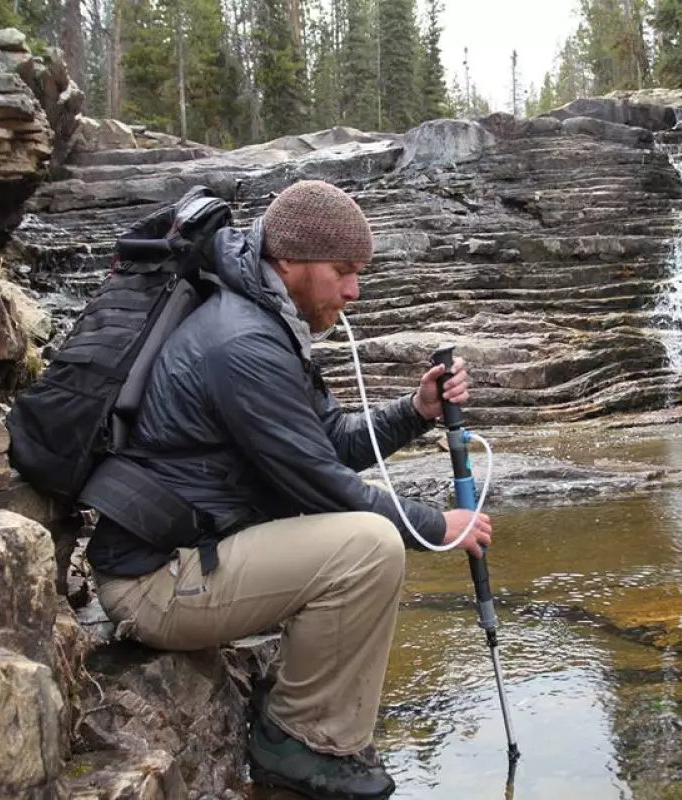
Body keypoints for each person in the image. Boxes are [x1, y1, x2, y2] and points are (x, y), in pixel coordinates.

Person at [86, 179, 493, 800]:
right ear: (295, 262)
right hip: (154, 584)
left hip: (192, 555)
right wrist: (435, 527)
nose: (354, 291)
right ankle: (301, 742)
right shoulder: (242, 342)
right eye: (343, 272)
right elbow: (324, 485)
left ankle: (310, 717)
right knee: (370, 545)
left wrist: (417, 409)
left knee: (365, 541)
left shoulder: (266, 321)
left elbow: (331, 441)